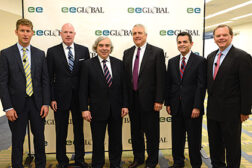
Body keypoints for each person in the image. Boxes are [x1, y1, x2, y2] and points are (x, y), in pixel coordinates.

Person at [0, 18, 50, 168]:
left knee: (40, 139)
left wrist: (46, 103)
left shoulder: (40, 54)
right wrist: (8, 107)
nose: (25, 34)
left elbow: (45, 81)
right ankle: (17, 165)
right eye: (22, 31)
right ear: (16, 32)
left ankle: (41, 165)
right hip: (16, 106)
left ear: (32, 33)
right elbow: (2, 83)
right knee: (17, 140)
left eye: (28, 31)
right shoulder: (5, 54)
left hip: (37, 105)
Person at [207, 24, 252, 168]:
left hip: (232, 112)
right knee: (215, 145)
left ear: (231, 36)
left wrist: (245, 110)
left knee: (232, 147)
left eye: (224, 35)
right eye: (218, 36)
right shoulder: (210, 56)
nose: (221, 38)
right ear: (214, 38)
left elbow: (247, 86)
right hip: (213, 111)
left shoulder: (242, 57)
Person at [79, 37, 128, 168]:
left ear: (110, 48)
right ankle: (98, 164)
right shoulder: (87, 65)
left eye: (107, 45)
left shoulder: (119, 63)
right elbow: (82, 90)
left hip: (116, 110)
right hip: (96, 110)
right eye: (101, 45)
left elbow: (124, 87)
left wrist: (125, 105)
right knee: (98, 141)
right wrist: (84, 109)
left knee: (116, 140)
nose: (104, 48)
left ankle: (115, 163)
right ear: (96, 48)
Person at [46, 23, 90, 168]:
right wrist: (52, 98)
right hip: (59, 99)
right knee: (61, 131)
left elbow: (87, 77)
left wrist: (87, 100)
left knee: (79, 131)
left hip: (79, 99)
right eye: (65, 32)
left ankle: (80, 159)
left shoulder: (84, 51)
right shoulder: (52, 52)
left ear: (75, 34)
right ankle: (62, 161)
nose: (68, 34)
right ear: (61, 34)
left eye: (71, 32)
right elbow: (49, 78)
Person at [123, 24, 166, 168]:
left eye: (140, 33)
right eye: (134, 33)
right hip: (132, 101)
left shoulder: (157, 52)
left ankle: (152, 161)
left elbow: (161, 78)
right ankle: (138, 158)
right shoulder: (127, 52)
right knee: (135, 133)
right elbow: (125, 79)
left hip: (150, 102)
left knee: (152, 134)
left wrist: (159, 99)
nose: (137, 35)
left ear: (146, 35)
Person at [165, 32, 206, 168]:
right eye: (179, 42)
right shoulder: (172, 62)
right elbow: (169, 85)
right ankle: (178, 162)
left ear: (191, 44)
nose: (182, 44)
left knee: (194, 139)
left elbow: (201, 86)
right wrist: (168, 103)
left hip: (192, 108)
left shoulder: (200, 61)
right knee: (177, 138)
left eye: (185, 42)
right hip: (176, 107)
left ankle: (196, 163)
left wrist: (197, 106)